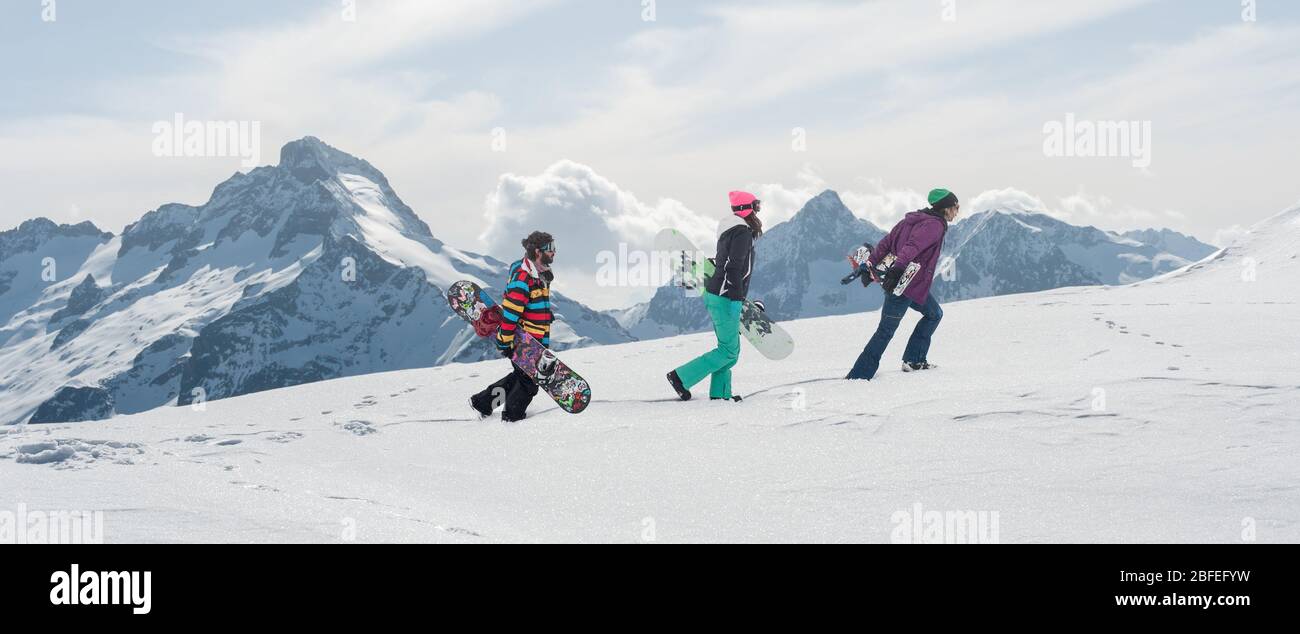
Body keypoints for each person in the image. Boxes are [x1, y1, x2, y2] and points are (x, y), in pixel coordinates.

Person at [846, 188, 961, 380]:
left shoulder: (911, 220)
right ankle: (859, 375)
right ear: (946, 208)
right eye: (956, 207)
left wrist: (870, 264)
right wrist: (898, 269)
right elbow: (912, 247)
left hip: (913, 286)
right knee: (885, 331)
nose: (958, 211)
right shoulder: (935, 225)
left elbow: (885, 243)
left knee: (934, 314)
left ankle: (914, 360)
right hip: (902, 284)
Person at [666, 191, 763, 402]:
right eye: (756, 206)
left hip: (721, 294)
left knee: (730, 351)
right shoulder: (742, 233)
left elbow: (726, 264)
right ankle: (680, 377)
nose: (757, 211)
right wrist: (736, 301)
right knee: (728, 351)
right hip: (724, 297)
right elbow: (733, 267)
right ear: (747, 209)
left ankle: (721, 394)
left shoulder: (731, 231)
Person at [470, 231, 556, 422]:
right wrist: (505, 340)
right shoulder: (523, 277)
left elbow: (530, 305)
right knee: (529, 383)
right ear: (537, 251)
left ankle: (483, 402)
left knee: (520, 378)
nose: (554, 253)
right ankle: (512, 418)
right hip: (523, 340)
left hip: (536, 340)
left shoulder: (539, 274)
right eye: (550, 249)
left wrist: (544, 315)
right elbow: (511, 313)